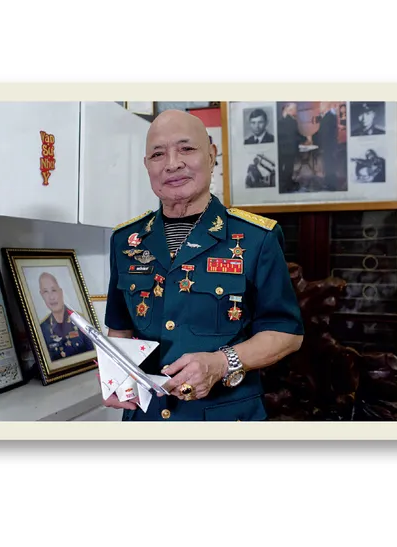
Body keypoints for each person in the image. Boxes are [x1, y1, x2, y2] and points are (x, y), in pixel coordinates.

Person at [103, 109, 304, 421]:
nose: (172, 163)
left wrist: (221, 363)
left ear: (212, 156)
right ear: (147, 166)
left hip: (225, 417)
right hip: (148, 418)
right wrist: (115, 375)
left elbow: (287, 333)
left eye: (186, 148)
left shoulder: (256, 238)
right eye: (158, 154)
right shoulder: (126, 241)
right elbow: (119, 330)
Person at [37, 272, 94, 361]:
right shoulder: (42, 329)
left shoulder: (81, 320)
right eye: (45, 292)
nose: (51, 297)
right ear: (42, 295)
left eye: (54, 290)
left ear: (61, 292)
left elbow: (94, 354)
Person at [277, 103, 305, 190]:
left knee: (283, 168)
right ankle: (287, 186)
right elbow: (296, 136)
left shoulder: (279, 121)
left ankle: (284, 184)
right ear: (290, 110)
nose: (296, 111)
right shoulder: (292, 121)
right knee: (289, 168)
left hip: (281, 150)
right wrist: (306, 139)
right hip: (290, 150)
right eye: (295, 109)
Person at [314, 102, 341, 189]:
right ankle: (329, 182)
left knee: (329, 165)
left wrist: (317, 142)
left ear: (326, 106)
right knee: (328, 164)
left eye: (322, 105)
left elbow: (325, 133)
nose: (320, 107)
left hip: (329, 146)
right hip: (329, 146)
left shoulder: (329, 116)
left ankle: (331, 185)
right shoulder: (327, 116)